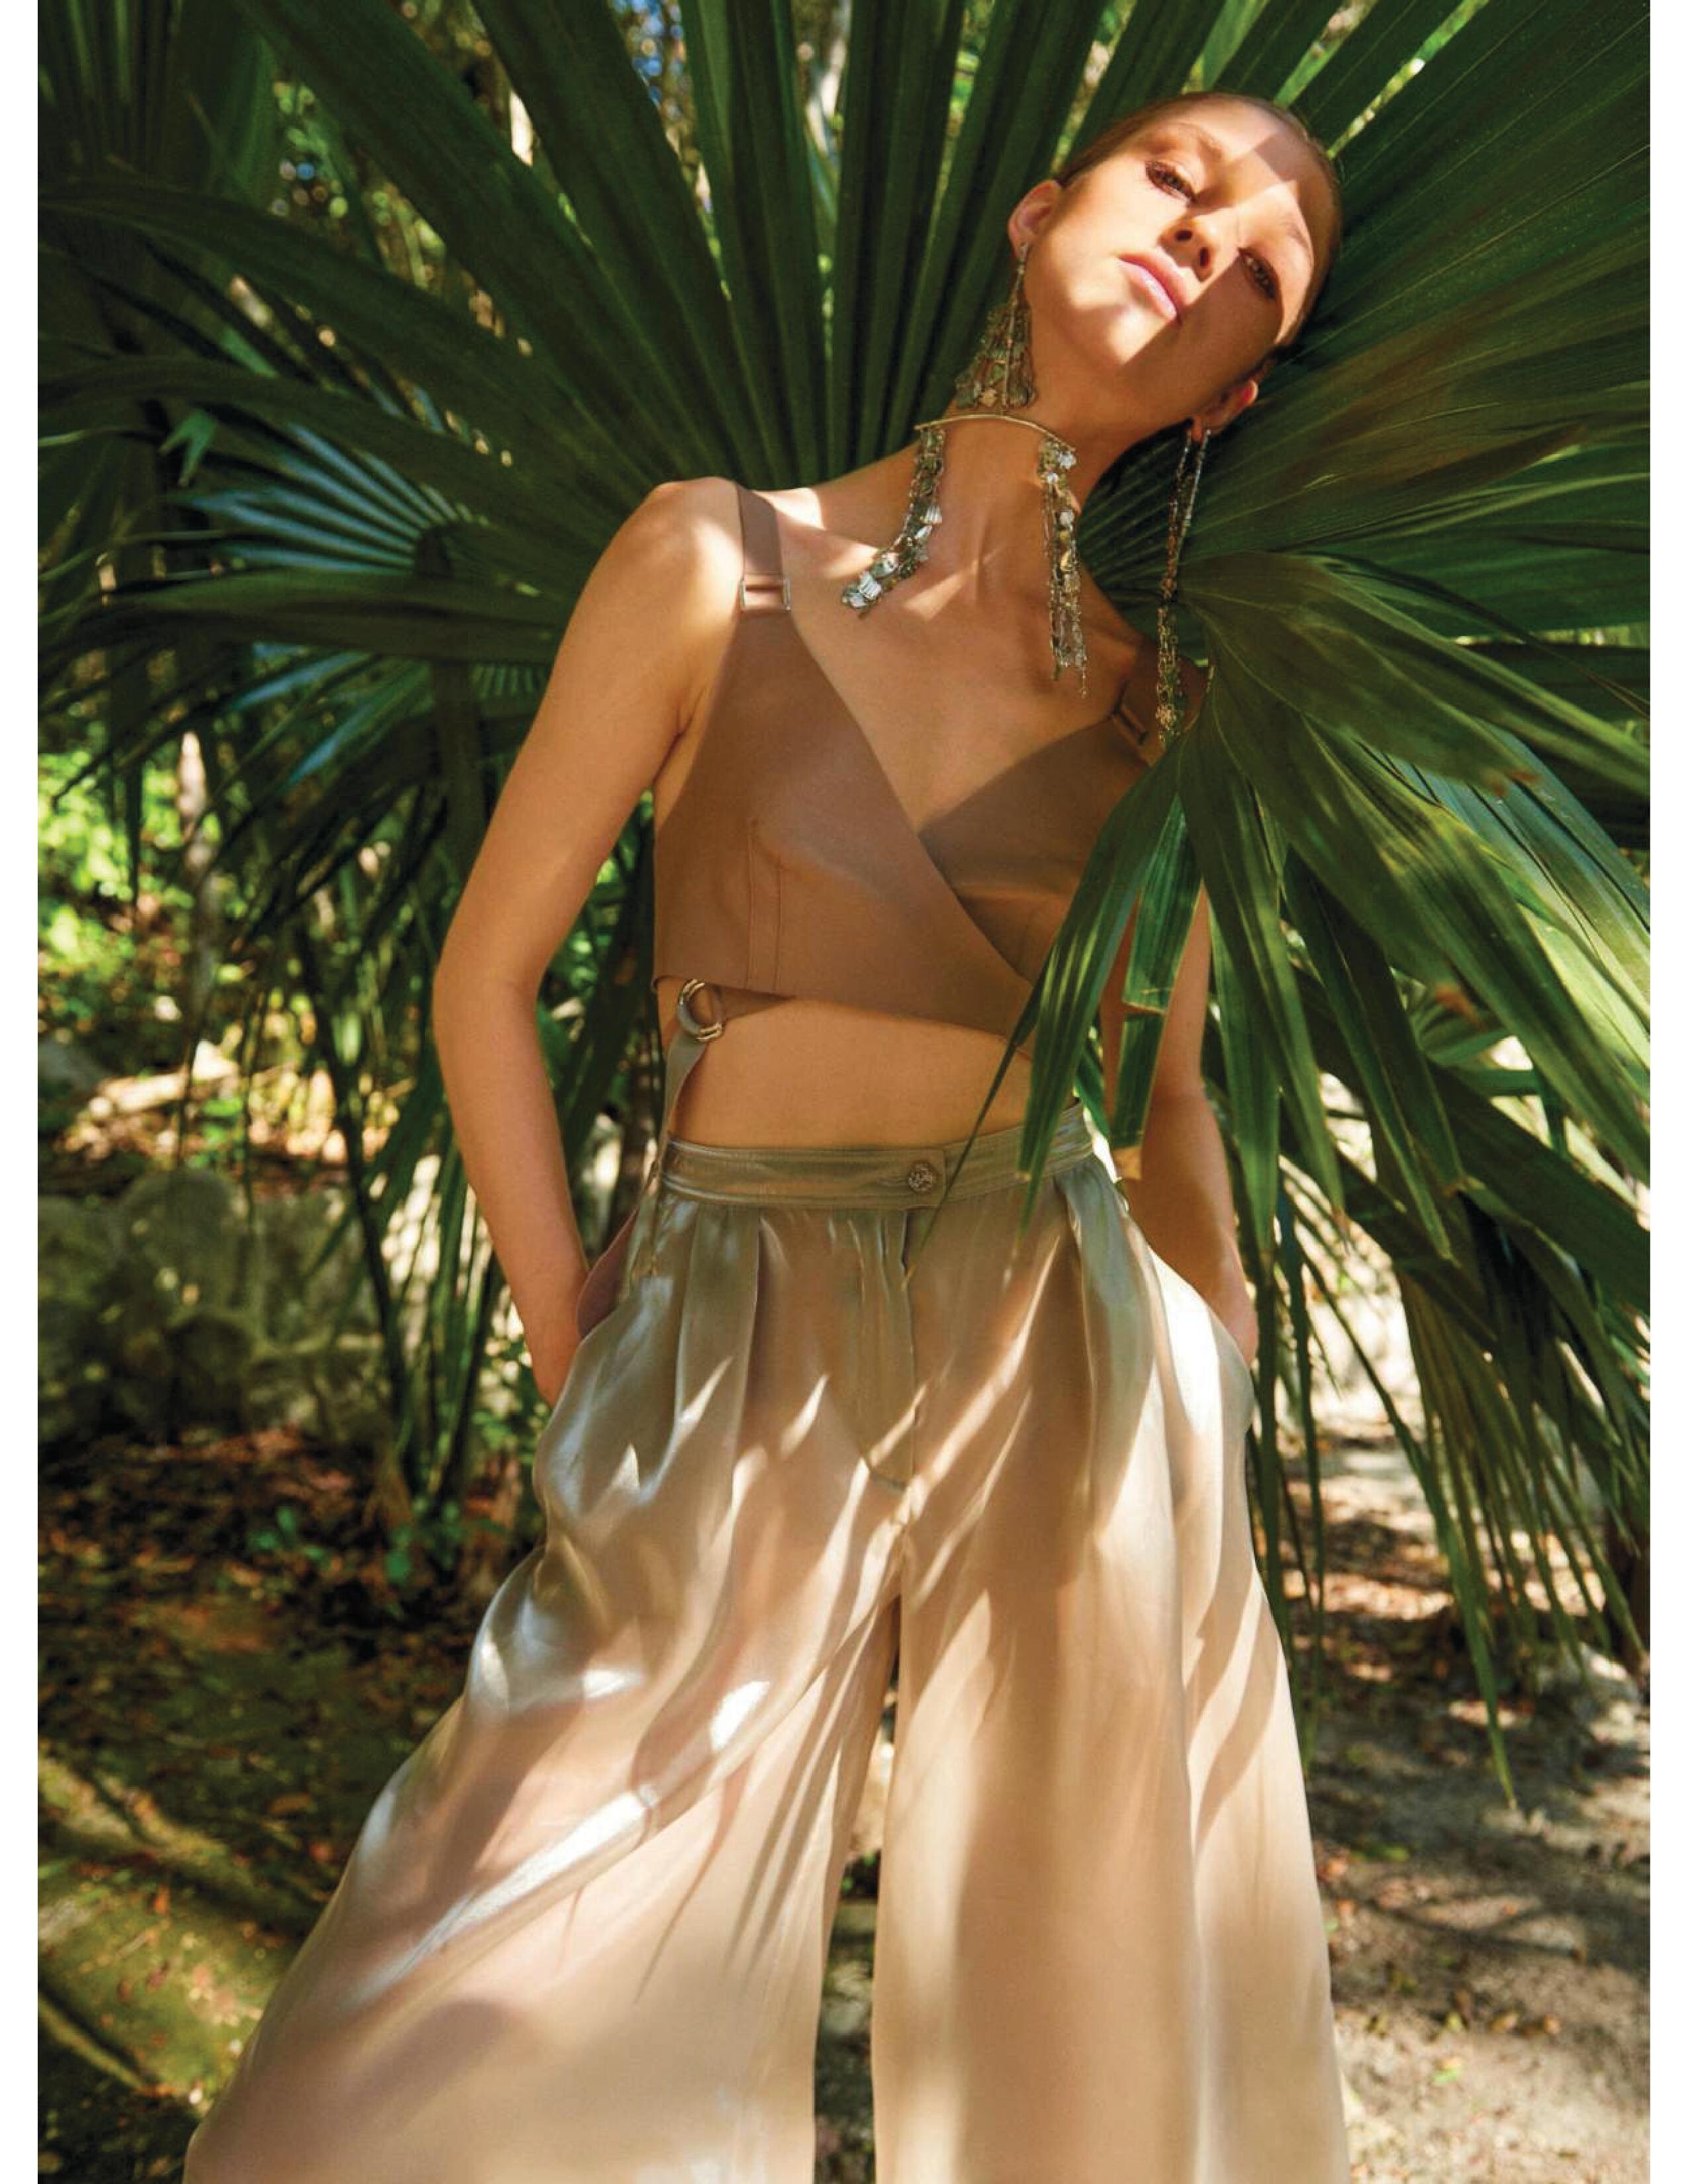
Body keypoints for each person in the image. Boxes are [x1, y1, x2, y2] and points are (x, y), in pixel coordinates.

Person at [185, 87, 1350, 2184]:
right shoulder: (707, 555)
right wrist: (578, 1345)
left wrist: (1219, 1401)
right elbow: (486, 978)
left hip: (1063, 1343)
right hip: (727, 1313)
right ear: (1041, 210)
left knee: (1084, 2013)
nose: (1207, 235)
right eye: (1178, 177)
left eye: (1261, 263)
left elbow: (1169, 1098)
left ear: (1235, 390)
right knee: (472, 1961)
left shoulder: (1169, 707)